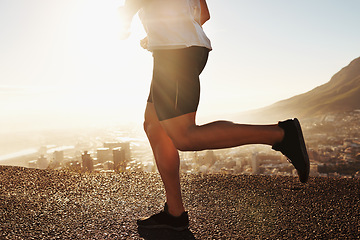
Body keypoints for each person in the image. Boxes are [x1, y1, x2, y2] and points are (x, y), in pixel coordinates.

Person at [119, 0, 310, 231]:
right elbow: (204, 14)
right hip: (177, 49)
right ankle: (175, 213)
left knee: (184, 136)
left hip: (175, 52)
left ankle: (281, 134)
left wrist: (126, 21)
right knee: (154, 126)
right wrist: (167, 33)